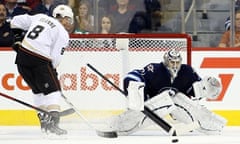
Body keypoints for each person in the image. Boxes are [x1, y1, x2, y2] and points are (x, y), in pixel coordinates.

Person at [108, 49, 227, 136]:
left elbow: (197, 88)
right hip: (152, 105)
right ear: (166, 61)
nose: (175, 65)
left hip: (176, 108)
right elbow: (134, 75)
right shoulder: (154, 69)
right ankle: (120, 125)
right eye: (172, 62)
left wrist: (207, 88)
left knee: (176, 98)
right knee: (167, 99)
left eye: (177, 62)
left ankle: (211, 125)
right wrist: (134, 86)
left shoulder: (187, 71)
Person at [10, 4, 74, 135]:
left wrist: (17, 39)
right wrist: (53, 75)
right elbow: (55, 60)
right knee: (54, 91)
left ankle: (44, 121)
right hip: (38, 59)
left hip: (22, 59)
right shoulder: (62, 33)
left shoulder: (40, 17)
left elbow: (15, 21)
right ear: (65, 19)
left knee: (38, 91)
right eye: (68, 20)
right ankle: (53, 125)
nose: (68, 23)